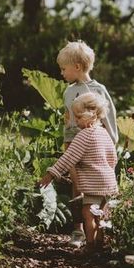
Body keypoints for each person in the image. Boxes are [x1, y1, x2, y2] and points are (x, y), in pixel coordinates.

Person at [39, 92, 118, 255]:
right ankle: (100, 243)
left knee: (87, 213)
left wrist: (51, 174)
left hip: (94, 184)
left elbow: (68, 158)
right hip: (109, 183)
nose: (75, 121)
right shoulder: (104, 133)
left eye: (79, 117)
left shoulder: (85, 135)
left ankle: (89, 246)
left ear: (92, 114)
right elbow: (113, 158)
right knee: (101, 215)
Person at [56, 40, 118, 245]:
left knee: (95, 186)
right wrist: (66, 143)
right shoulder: (68, 92)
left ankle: (99, 229)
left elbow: (108, 117)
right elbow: (67, 120)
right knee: (76, 183)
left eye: (64, 69)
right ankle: (78, 229)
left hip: (95, 145)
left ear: (77, 67)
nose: (62, 73)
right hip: (74, 142)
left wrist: (111, 141)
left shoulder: (99, 90)